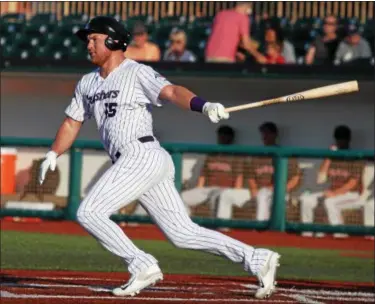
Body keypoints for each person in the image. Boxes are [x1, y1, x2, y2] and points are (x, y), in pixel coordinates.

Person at [38, 16, 280, 299]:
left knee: (89, 212)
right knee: (182, 233)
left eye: (94, 39)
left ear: (114, 41)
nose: (88, 45)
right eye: (88, 40)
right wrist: (54, 152)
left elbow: (172, 91)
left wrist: (203, 106)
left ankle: (141, 263)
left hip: (140, 153)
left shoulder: (136, 72)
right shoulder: (87, 83)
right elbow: (72, 122)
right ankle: (256, 258)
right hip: (138, 161)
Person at [216, 122, 301, 221]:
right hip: (255, 191)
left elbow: (295, 177)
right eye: (263, 133)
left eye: (268, 133)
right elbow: (250, 176)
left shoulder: (284, 154)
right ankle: (223, 229)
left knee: (263, 194)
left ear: (275, 135)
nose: (265, 136)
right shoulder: (258, 154)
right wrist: (254, 189)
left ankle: (260, 230)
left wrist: (283, 189)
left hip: (279, 194)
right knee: (226, 194)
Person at [300, 126, 367, 238]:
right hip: (333, 192)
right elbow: (320, 178)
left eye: (343, 139)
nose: (340, 142)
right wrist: (329, 157)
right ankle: (307, 233)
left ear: (348, 140)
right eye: (338, 139)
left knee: (329, 202)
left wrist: (334, 193)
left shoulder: (356, 157)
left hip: (352, 194)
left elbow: (352, 184)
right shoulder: (333, 157)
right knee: (306, 199)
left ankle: (340, 234)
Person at [181, 126, 243, 215]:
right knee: (182, 198)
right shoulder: (212, 154)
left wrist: (235, 193)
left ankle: (221, 228)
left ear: (231, 138)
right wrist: (199, 188)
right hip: (208, 189)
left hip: (224, 190)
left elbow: (239, 177)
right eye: (220, 135)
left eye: (225, 135)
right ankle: (187, 225)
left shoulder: (235, 156)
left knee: (218, 200)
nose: (222, 138)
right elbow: (203, 175)